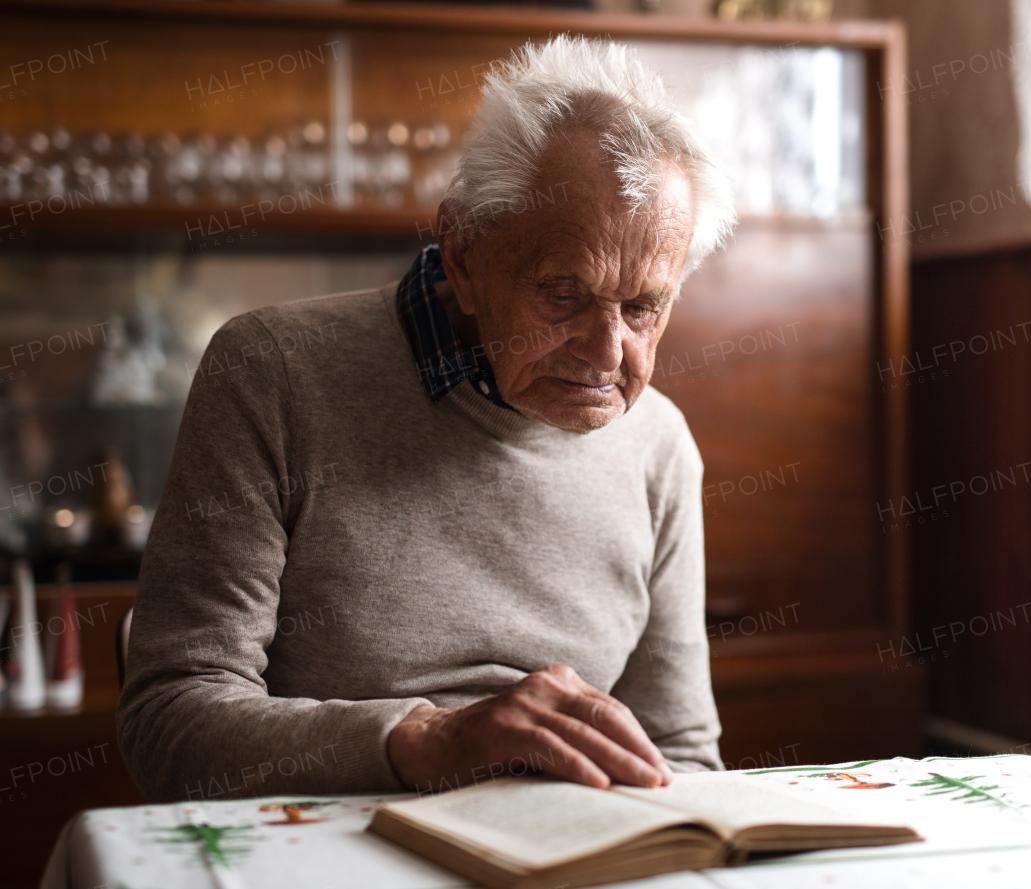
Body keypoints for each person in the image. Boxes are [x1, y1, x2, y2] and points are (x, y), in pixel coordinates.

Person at [117, 35, 738, 802]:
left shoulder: (659, 446)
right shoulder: (271, 370)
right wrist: (427, 740)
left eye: (644, 306)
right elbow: (168, 718)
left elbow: (680, 755)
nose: (608, 353)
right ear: (464, 255)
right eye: (561, 294)